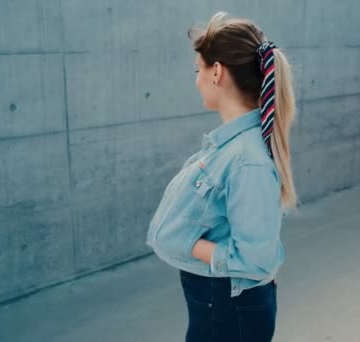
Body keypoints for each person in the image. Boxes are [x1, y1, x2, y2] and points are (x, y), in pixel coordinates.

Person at [145, 11, 299, 342]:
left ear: (216, 72)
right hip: (220, 307)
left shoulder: (246, 160)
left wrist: (187, 243)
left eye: (197, 69)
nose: (196, 79)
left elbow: (255, 260)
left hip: (228, 311)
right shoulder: (231, 148)